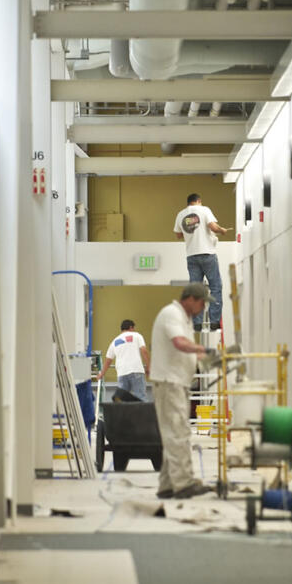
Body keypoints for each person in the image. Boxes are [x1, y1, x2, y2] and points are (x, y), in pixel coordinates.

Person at [149, 283, 217, 502]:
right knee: (178, 433)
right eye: (203, 303)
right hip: (170, 383)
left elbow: (185, 352)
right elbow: (179, 343)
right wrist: (203, 349)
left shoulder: (185, 320)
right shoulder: (172, 314)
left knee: (175, 433)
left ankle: (168, 485)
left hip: (177, 383)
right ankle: (184, 484)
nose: (203, 308)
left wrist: (211, 360)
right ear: (191, 299)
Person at [173, 193, 230, 331]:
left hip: (191, 256)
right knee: (215, 287)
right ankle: (215, 321)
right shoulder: (204, 210)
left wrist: (190, 232)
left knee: (195, 290)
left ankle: (197, 323)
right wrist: (222, 230)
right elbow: (212, 226)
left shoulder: (181, 214)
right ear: (198, 201)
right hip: (207, 254)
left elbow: (178, 234)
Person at [97, 319, 150, 400]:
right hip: (136, 370)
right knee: (140, 397)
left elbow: (108, 360)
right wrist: (149, 367)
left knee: (123, 400)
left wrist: (101, 374)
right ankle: (141, 413)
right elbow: (144, 351)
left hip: (122, 373)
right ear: (131, 327)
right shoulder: (136, 336)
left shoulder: (114, 341)